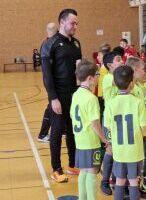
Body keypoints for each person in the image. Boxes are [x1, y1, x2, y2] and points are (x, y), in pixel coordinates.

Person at [41, 9, 82, 183]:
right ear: (62, 22)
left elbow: (79, 69)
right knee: (57, 132)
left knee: (73, 131)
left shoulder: (76, 44)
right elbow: (47, 75)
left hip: (74, 94)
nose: (75, 26)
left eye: (76, 23)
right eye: (73, 23)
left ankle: (73, 164)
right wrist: (53, 98)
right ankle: (56, 169)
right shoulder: (50, 44)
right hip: (58, 95)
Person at [104, 65, 146, 200]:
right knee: (134, 180)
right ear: (131, 84)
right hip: (135, 149)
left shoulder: (111, 104)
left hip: (119, 150)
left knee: (120, 181)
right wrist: (143, 137)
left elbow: (108, 127)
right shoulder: (138, 102)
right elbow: (144, 127)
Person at [70, 59, 108, 200]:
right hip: (90, 140)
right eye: (97, 74)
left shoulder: (76, 94)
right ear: (90, 78)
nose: (99, 77)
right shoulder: (91, 98)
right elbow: (94, 123)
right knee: (93, 171)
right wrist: (104, 139)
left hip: (79, 139)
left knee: (84, 170)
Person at [100, 51, 123, 195]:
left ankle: (115, 179)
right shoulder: (109, 78)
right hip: (110, 121)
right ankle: (104, 181)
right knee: (110, 150)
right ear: (109, 65)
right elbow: (122, 81)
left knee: (119, 150)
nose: (122, 61)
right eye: (118, 60)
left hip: (121, 120)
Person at [37, 22, 58, 143]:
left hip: (52, 80)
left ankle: (64, 130)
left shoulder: (49, 43)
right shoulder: (48, 45)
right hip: (51, 80)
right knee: (52, 106)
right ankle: (43, 133)